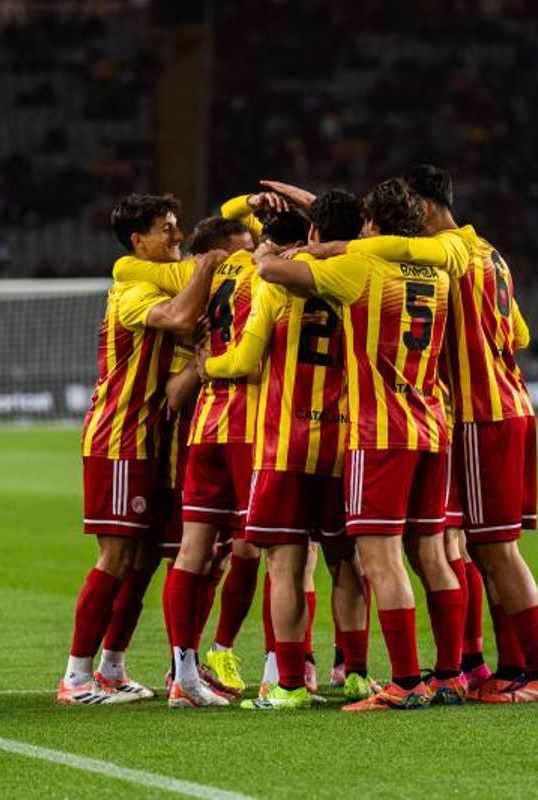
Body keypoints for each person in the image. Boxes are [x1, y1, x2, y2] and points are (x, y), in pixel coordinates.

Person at [313, 165, 538, 703]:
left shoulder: (449, 252)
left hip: (479, 413)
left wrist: (321, 251)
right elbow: (518, 331)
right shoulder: (490, 253)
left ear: (423, 210)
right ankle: (507, 669)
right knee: (478, 546)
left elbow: (383, 252)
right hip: (510, 403)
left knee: (495, 550)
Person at [257, 178, 462, 712]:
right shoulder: (437, 271)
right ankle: (450, 674)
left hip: (381, 431)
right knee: (433, 556)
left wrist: (281, 244)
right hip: (431, 426)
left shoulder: (361, 269)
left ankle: (407, 682)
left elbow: (272, 270)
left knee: (382, 560)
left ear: (370, 226)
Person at [201, 189, 376, 710]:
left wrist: (203, 367)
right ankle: (358, 674)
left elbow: (246, 361)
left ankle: (292, 684)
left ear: (315, 235)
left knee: (285, 566)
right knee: (346, 562)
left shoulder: (274, 285)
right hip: (343, 444)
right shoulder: (360, 280)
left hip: (284, 445)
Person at [57, 193, 225, 705]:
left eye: (178, 226)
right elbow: (177, 319)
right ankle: (76, 677)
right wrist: (212, 262)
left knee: (146, 558)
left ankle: (112, 667)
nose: (178, 237)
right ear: (139, 242)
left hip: (151, 438)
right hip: (119, 437)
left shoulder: (156, 277)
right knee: (117, 556)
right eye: (167, 229)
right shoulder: (130, 288)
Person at [163, 204, 310, 709]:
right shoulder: (270, 277)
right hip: (254, 429)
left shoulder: (213, 269)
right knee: (282, 556)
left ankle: (183, 674)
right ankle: (279, 672)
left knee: (192, 551)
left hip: (206, 425)